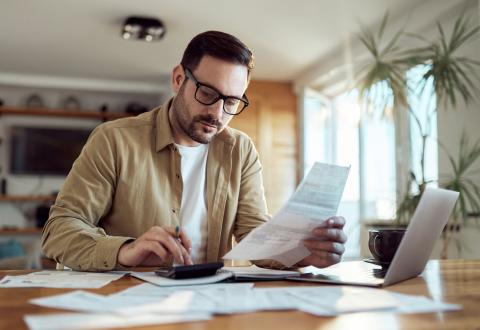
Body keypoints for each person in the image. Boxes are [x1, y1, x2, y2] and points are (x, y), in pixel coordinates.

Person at [41, 31, 347, 271]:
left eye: (231, 101)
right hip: (127, 301)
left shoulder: (240, 150)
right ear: (178, 79)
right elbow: (59, 230)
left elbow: (254, 234)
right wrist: (126, 250)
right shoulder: (113, 140)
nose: (217, 113)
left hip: (207, 302)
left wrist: (303, 254)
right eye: (208, 93)